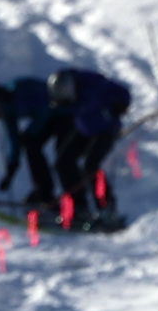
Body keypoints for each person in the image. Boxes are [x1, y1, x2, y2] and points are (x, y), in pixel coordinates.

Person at [46, 67, 134, 229]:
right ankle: (79, 208)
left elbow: (123, 93)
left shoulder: (95, 84)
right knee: (63, 162)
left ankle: (107, 210)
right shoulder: (69, 90)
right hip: (85, 129)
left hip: (105, 130)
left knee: (91, 166)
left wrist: (120, 106)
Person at [0, 77, 63, 208]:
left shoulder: (16, 91)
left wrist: (31, 131)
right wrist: (11, 169)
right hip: (50, 117)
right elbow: (13, 139)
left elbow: (47, 104)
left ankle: (49, 195)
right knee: (31, 144)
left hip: (64, 113)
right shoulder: (6, 109)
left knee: (57, 156)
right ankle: (43, 193)